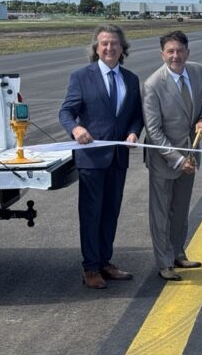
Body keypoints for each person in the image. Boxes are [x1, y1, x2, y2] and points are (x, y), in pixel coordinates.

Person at [59, 24, 143, 289]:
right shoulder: (81, 76)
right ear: (96, 48)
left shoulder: (131, 79)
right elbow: (66, 112)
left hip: (118, 158)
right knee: (92, 213)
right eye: (104, 43)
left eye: (115, 44)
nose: (110, 48)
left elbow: (135, 116)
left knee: (111, 212)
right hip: (92, 160)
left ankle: (105, 261)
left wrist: (133, 133)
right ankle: (91, 267)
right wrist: (76, 128)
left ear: (122, 48)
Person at [142, 31, 202, 281]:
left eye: (180, 50)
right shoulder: (153, 84)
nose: (176, 56)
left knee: (181, 211)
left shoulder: (198, 72)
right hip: (165, 159)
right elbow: (153, 131)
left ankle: (178, 254)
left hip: (191, 156)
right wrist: (177, 159)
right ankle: (164, 263)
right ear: (162, 54)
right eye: (170, 51)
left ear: (188, 52)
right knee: (161, 213)